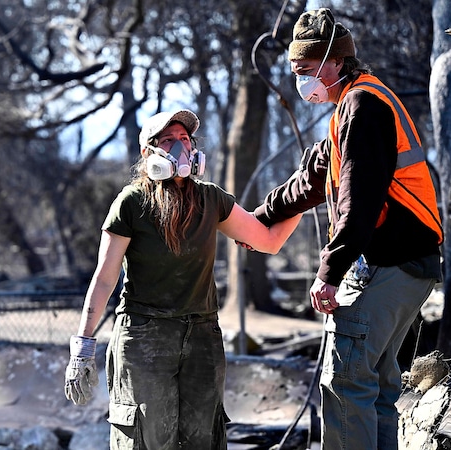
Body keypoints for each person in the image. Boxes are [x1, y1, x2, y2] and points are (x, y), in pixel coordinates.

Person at [251, 8, 443, 450]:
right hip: (408, 266)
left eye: (304, 70)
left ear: (335, 61)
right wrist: (255, 219)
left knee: (345, 386)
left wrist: (328, 273)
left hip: (387, 263)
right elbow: (312, 181)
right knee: (374, 388)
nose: (300, 81)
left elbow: (359, 205)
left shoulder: (363, 106)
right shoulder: (350, 109)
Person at [63, 109, 301, 449]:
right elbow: (104, 278)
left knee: (204, 439)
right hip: (145, 336)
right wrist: (82, 348)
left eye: (185, 139)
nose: (179, 147)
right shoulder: (131, 203)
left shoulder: (211, 198)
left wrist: (308, 192)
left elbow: (268, 240)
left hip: (202, 335)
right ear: (149, 153)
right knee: (147, 439)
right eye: (168, 140)